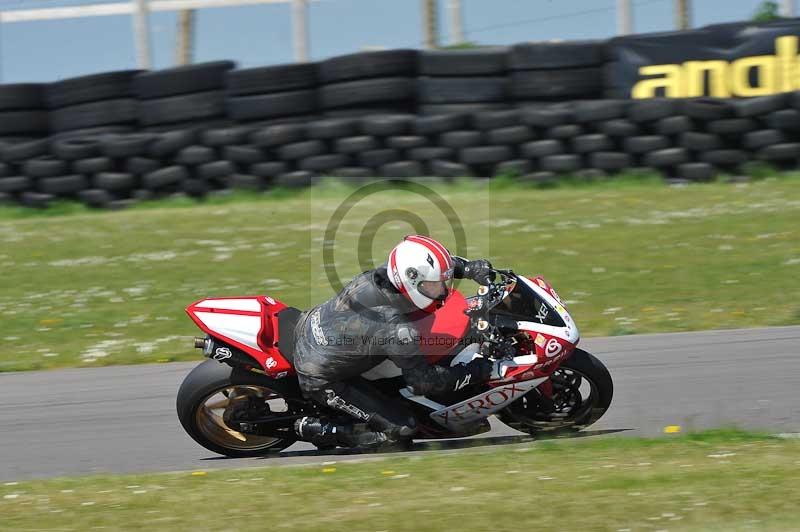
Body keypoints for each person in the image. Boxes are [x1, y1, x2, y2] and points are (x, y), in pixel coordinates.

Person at [292, 234, 496, 450]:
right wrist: (472, 371)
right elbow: (423, 382)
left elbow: (432, 267)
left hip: (313, 325)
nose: (443, 290)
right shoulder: (394, 326)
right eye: (435, 285)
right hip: (320, 375)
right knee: (400, 431)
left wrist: (469, 268)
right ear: (412, 281)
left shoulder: (386, 274)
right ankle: (322, 430)